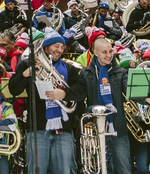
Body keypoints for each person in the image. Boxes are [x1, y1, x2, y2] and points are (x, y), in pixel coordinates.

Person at [8, 31, 84, 174]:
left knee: (64, 170)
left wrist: (64, 93)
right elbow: (13, 89)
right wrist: (25, 75)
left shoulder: (69, 69)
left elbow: (81, 90)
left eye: (62, 47)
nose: (60, 50)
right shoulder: (27, 66)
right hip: (38, 129)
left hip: (63, 130)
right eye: (56, 46)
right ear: (46, 47)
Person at [79, 33, 130, 174]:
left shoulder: (120, 72)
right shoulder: (86, 73)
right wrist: (88, 118)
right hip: (96, 129)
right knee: (100, 168)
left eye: (110, 51)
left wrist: (146, 97)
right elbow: (80, 99)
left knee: (124, 168)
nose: (109, 55)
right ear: (95, 52)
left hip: (118, 128)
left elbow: (130, 93)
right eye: (104, 52)